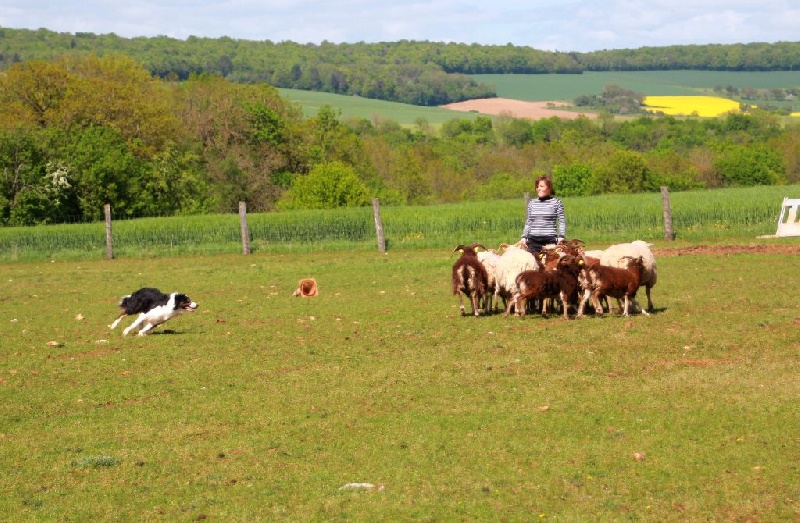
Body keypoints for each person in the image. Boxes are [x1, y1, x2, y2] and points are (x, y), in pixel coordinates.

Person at [520, 175, 566, 255]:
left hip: (549, 241)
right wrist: (524, 237)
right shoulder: (532, 203)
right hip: (533, 241)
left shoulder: (556, 203)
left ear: (549, 188)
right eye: (537, 187)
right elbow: (529, 222)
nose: (539, 189)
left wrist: (561, 236)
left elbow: (561, 221)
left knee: (549, 265)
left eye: (541, 186)